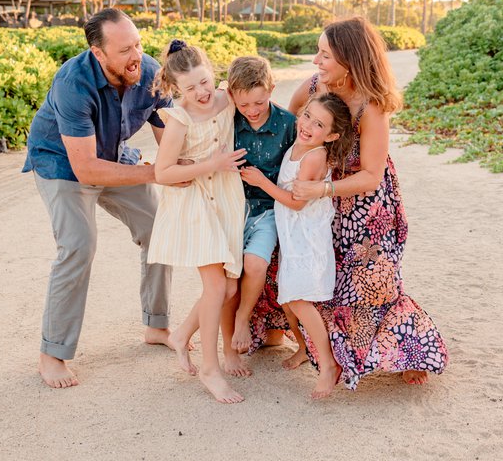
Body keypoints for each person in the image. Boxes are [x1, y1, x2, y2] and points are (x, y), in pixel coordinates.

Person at [288, 16, 448, 390]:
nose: (316, 61)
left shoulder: (370, 105)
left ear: (349, 60)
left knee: (373, 285)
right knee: (323, 278)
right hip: (322, 199)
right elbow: (286, 122)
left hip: (367, 206)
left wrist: (320, 190)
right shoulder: (314, 86)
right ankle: (319, 349)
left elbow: (372, 175)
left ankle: (408, 351)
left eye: (324, 55)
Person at [24, 8, 179, 389]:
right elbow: (87, 171)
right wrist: (157, 172)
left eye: (138, 44)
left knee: (160, 229)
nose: (136, 56)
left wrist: (176, 166)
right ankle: (52, 353)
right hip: (63, 163)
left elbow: (170, 133)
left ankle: (157, 327)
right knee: (78, 246)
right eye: (125, 49)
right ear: (98, 53)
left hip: (113, 155)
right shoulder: (72, 83)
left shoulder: (148, 72)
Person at [147, 40, 248, 404]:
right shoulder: (179, 119)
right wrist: (209, 165)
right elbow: (162, 171)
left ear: (212, 73)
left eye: (204, 82)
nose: (201, 93)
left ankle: (182, 334)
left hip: (225, 197)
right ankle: (210, 368)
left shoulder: (226, 97)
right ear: (176, 90)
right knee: (218, 288)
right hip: (194, 202)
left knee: (230, 289)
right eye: (190, 88)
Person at [241, 93, 354, 399]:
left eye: (318, 124)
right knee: (289, 301)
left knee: (300, 301)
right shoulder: (298, 145)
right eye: (306, 116)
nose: (306, 125)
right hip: (293, 239)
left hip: (307, 240)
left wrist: (262, 183)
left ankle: (329, 365)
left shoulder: (314, 156)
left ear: (331, 135)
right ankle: (304, 348)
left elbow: (297, 202)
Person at [225, 56, 298, 362]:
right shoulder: (226, 119)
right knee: (224, 273)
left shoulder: (289, 125)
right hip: (231, 206)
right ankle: (209, 339)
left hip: (268, 209)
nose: (252, 111)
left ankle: (243, 320)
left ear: (271, 88)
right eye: (244, 105)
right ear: (231, 97)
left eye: (259, 101)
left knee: (255, 264)